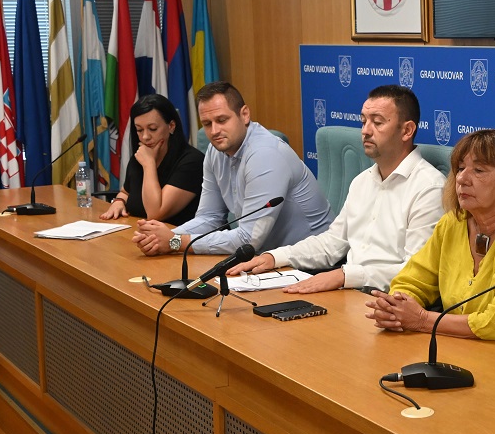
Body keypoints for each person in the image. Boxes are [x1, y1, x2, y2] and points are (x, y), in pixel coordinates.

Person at [365, 129, 495, 361]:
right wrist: (395, 307)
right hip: (467, 351)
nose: (462, 179)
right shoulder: (454, 222)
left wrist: (422, 319)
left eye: (479, 170)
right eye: (460, 168)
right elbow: (413, 280)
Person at [226, 85, 446, 293]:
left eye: (377, 122)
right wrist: (275, 257)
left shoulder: (429, 188)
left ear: (407, 130)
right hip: (349, 291)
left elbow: (416, 270)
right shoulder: (362, 181)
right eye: (363, 121)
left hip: (390, 299)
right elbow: (332, 244)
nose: (365, 131)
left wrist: (345, 276)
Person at [132, 81, 333, 256]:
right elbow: (210, 217)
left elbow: (249, 239)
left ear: (244, 115)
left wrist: (175, 242)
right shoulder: (215, 152)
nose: (214, 131)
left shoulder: (265, 154)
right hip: (267, 260)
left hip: (310, 264)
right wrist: (162, 238)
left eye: (221, 120)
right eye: (207, 123)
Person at [99, 94, 203, 225]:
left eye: (152, 129)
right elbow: (126, 192)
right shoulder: (141, 156)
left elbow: (155, 213)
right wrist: (119, 201)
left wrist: (149, 165)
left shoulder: (192, 162)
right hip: (137, 232)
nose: (145, 137)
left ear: (171, 126)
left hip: (176, 236)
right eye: (139, 130)